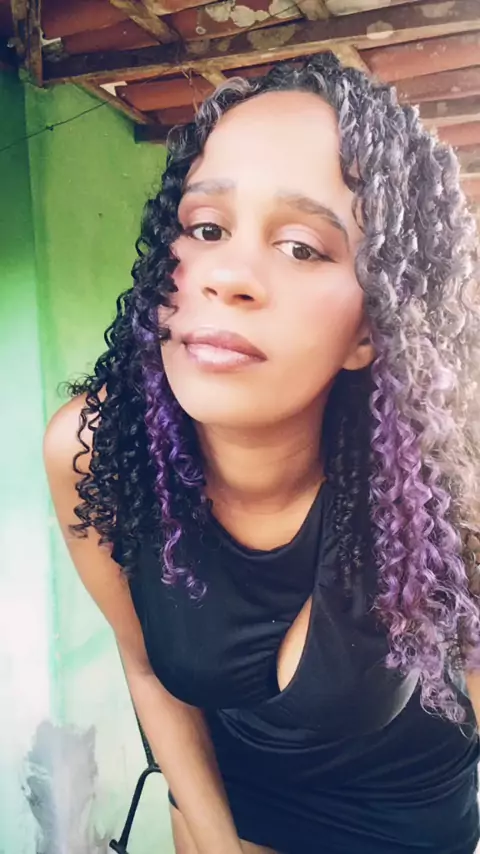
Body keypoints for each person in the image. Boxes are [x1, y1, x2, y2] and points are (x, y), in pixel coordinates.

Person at [43, 52, 480, 854]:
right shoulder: (95, 451)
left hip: (406, 819)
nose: (229, 275)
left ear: (371, 326)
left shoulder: (443, 479)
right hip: (223, 801)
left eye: (303, 246)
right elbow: (147, 673)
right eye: (206, 229)